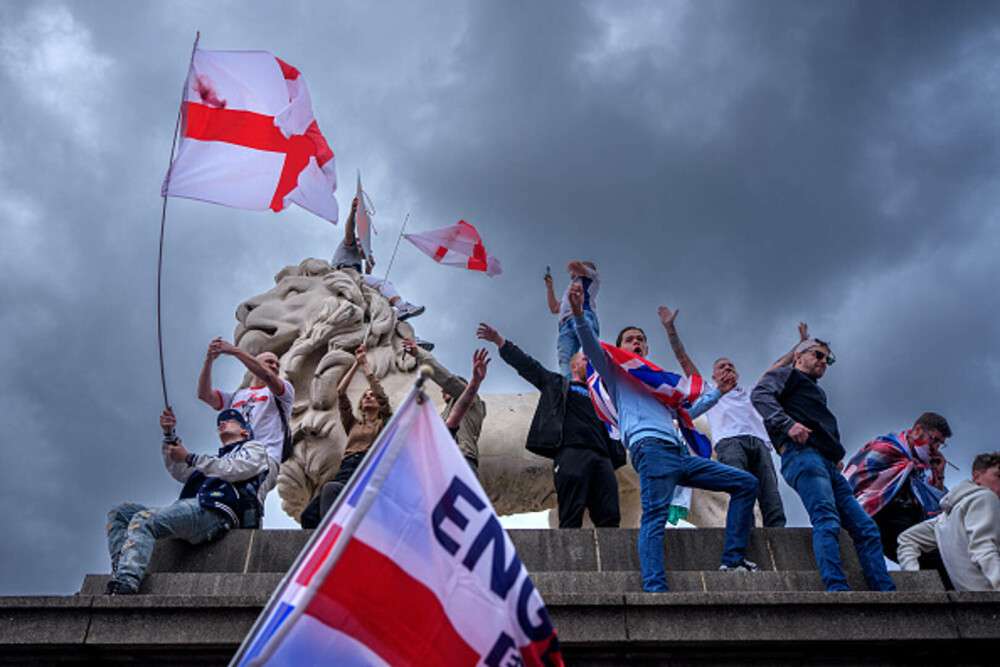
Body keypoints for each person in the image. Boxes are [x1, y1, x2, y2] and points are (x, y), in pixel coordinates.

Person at [570, 285, 758, 591]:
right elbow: (591, 347)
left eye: (641, 339)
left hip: (677, 454)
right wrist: (579, 315)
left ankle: (733, 560)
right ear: (619, 348)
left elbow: (686, 412)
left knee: (746, 483)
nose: (636, 342)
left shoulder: (658, 385)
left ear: (646, 349)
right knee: (654, 517)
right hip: (651, 449)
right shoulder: (613, 373)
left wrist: (719, 393)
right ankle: (655, 589)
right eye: (630, 339)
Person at [752, 338, 896, 592]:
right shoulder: (787, 374)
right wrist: (788, 424)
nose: (823, 362)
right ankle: (837, 590)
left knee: (866, 528)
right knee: (826, 519)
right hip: (802, 455)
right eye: (818, 355)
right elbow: (759, 394)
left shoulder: (816, 392)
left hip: (828, 463)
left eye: (827, 359)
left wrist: (834, 454)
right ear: (799, 357)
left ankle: (886, 592)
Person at [661, 308, 809, 528]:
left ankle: (777, 534)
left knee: (770, 493)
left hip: (759, 443)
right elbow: (683, 360)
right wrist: (670, 328)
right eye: (722, 367)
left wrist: (800, 345)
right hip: (730, 444)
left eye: (730, 366)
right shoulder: (709, 391)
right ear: (715, 376)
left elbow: (778, 367)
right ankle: (746, 534)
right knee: (741, 490)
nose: (727, 368)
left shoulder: (752, 392)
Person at [105, 407, 276, 595]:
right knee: (121, 513)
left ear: (245, 431)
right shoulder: (212, 462)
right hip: (193, 508)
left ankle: (126, 582)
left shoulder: (254, 449)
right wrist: (169, 435)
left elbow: (236, 468)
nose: (222, 423)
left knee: (144, 519)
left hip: (215, 511)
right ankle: (121, 571)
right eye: (220, 422)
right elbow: (180, 469)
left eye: (230, 420)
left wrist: (190, 457)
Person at [477, 322, 623, 528]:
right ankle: (571, 550)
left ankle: (611, 550)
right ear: (574, 367)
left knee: (610, 517)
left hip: (603, 458)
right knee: (571, 515)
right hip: (572, 454)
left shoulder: (603, 397)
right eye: (585, 359)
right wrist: (501, 343)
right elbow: (529, 366)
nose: (590, 362)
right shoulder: (558, 385)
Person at [300, 344, 391, 528]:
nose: (368, 397)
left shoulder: (384, 424)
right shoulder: (353, 424)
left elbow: (382, 397)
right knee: (308, 516)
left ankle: (332, 534)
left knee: (330, 489)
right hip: (345, 469)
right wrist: (356, 364)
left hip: (366, 468)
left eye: (371, 396)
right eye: (365, 396)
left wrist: (366, 365)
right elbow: (341, 393)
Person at [844, 412, 951, 561]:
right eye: (933, 440)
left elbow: (936, 504)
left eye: (940, 444)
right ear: (918, 430)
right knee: (937, 559)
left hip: (913, 523)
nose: (935, 447)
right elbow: (854, 479)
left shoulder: (925, 468)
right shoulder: (884, 449)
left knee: (949, 554)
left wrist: (939, 475)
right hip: (884, 521)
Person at [897, 452, 1000, 591]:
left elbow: (907, 539)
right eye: (998, 476)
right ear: (976, 476)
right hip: (989, 596)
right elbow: (983, 548)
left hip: (971, 599)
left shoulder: (946, 517)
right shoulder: (986, 497)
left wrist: (915, 580)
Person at [197, 338, 294, 467]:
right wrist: (209, 360)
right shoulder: (236, 396)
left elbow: (267, 376)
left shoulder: (283, 390)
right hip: (236, 458)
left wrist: (234, 351)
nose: (275, 367)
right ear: (254, 365)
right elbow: (205, 395)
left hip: (264, 457)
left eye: (277, 365)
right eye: (269, 362)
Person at [401, 338, 487, 476]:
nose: (443, 390)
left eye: (448, 389)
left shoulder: (472, 402)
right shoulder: (443, 415)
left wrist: (420, 355)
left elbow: (448, 380)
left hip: (460, 458)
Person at [334, 196, 424, 321]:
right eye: (366, 248)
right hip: (345, 274)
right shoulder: (349, 246)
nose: (368, 252)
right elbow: (349, 231)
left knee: (379, 295)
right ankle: (402, 307)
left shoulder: (356, 260)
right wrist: (353, 212)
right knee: (384, 283)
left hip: (352, 276)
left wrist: (369, 268)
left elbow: (367, 282)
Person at [545, 261, 600, 379]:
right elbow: (554, 307)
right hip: (565, 325)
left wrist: (574, 268)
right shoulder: (569, 291)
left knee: (590, 354)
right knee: (565, 360)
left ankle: (594, 383)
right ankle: (569, 386)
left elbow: (573, 265)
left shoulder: (592, 277)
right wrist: (549, 287)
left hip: (583, 316)